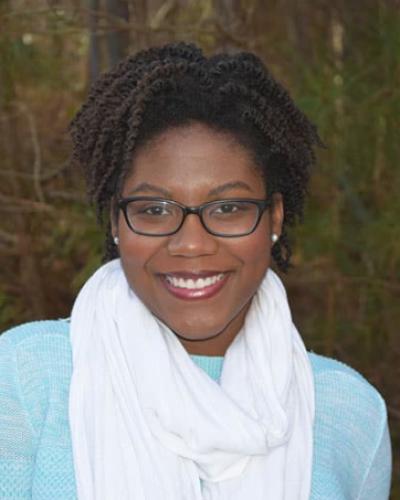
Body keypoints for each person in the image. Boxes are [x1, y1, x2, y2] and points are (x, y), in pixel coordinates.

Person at [0, 42, 392, 499]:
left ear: (275, 218)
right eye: (154, 209)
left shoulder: (350, 413)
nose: (191, 243)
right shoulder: (24, 380)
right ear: (114, 220)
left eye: (227, 207)